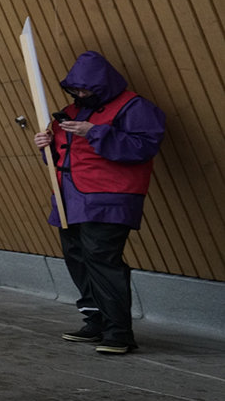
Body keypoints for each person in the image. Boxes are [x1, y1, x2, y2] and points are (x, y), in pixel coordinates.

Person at [32, 52, 166, 355]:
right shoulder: (70, 111)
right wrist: (46, 146)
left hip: (109, 198)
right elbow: (62, 157)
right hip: (71, 198)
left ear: (103, 85)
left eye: (85, 90)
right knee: (77, 257)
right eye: (75, 90)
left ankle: (118, 332)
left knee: (102, 259)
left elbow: (143, 147)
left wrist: (95, 132)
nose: (80, 95)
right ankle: (96, 321)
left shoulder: (135, 107)